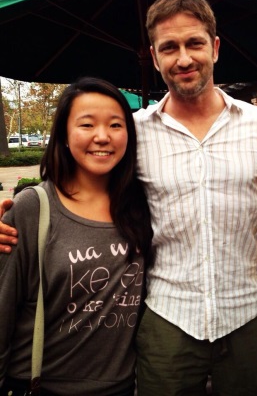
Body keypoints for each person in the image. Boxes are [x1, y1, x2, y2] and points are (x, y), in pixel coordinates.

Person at [0, 0, 257, 396]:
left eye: (194, 43)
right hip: (167, 319)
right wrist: (17, 209)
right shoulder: (135, 132)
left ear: (215, 47)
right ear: (154, 56)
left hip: (250, 316)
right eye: (169, 47)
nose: (183, 58)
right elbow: (83, 180)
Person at [0, 77, 153, 396]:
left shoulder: (141, 205)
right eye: (87, 124)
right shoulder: (34, 207)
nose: (102, 136)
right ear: (64, 136)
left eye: (115, 125)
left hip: (121, 387)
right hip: (41, 386)